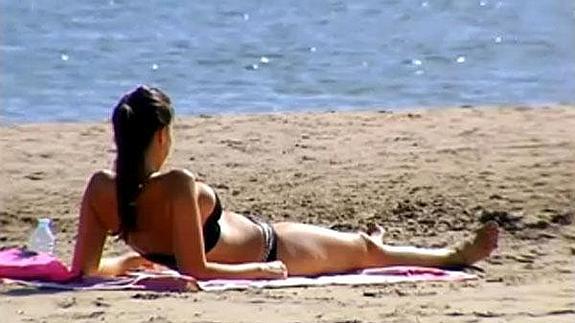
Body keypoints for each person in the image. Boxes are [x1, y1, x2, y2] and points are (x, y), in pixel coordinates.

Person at [71, 85, 499, 280]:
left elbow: (83, 270)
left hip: (262, 234)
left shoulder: (100, 189)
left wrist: (121, 264)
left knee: (354, 243)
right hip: (275, 248)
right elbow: (196, 269)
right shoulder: (178, 184)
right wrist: (263, 271)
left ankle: (366, 238)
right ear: (162, 135)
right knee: (368, 253)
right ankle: (452, 256)